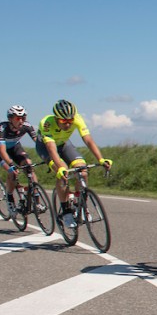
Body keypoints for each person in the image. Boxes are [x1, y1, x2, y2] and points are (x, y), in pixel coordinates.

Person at [36, 99, 113, 230]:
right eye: (63, 121)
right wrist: (59, 167)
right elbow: (51, 148)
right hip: (46, 147)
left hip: (65, 144)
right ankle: (66, 212)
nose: (67, 124)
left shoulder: (77, 118)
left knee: (82, 170)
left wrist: (101, 159)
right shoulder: (46, 123)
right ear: (56, 118)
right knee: (63, 172)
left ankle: (80, 205)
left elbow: (88, 140)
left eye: (70, 121)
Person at [0, 105, 41, 213]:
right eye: (17, 118)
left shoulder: (27, 126)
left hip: (15, 147)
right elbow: (2, 151)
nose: (21, 121)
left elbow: (39, 143)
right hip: (0, 151)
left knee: (28, 165)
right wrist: (10, 164)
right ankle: (10, 199)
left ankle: (37, 200)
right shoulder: (2, 128)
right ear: (10, 118)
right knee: (12, 172)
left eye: (23, 118)